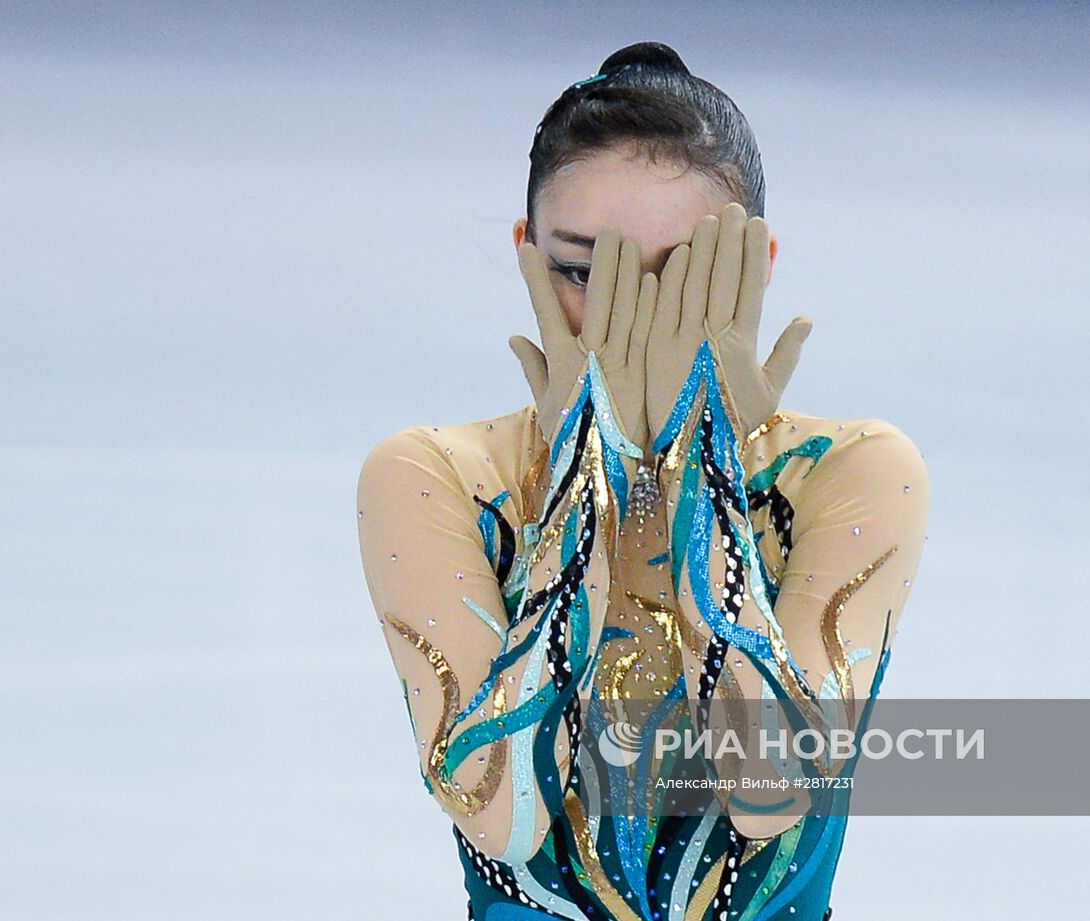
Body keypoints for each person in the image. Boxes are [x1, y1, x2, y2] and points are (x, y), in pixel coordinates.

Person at [356, 41, 930, 921]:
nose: (629, 325)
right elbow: (503, 812)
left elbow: (771, 794)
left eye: (677, 282)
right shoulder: (439, 478)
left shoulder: (847, 473)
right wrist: (591, 466)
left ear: (756, 266)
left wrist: (700, 464)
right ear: (527, 252)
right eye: (585, 273)